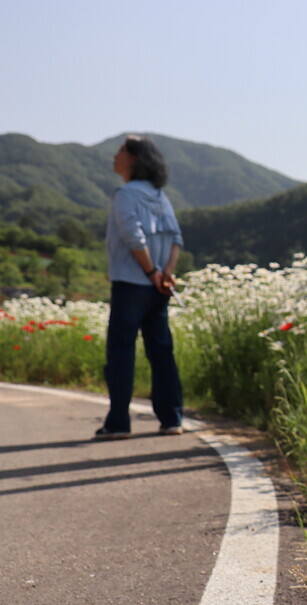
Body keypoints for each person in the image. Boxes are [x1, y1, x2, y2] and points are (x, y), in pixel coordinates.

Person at [95, 135, 184, 440]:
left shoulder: (125, 195)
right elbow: (176, 238)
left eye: (120, 150)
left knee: (121, 350)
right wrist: (165, 274)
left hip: (132, 282)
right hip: (158, 286)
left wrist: (150, 271)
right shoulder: (160, 196)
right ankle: (171, 418)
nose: (115, 155)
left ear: (133, 158)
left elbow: (133, 237)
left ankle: (119, 422)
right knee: (161, 350)